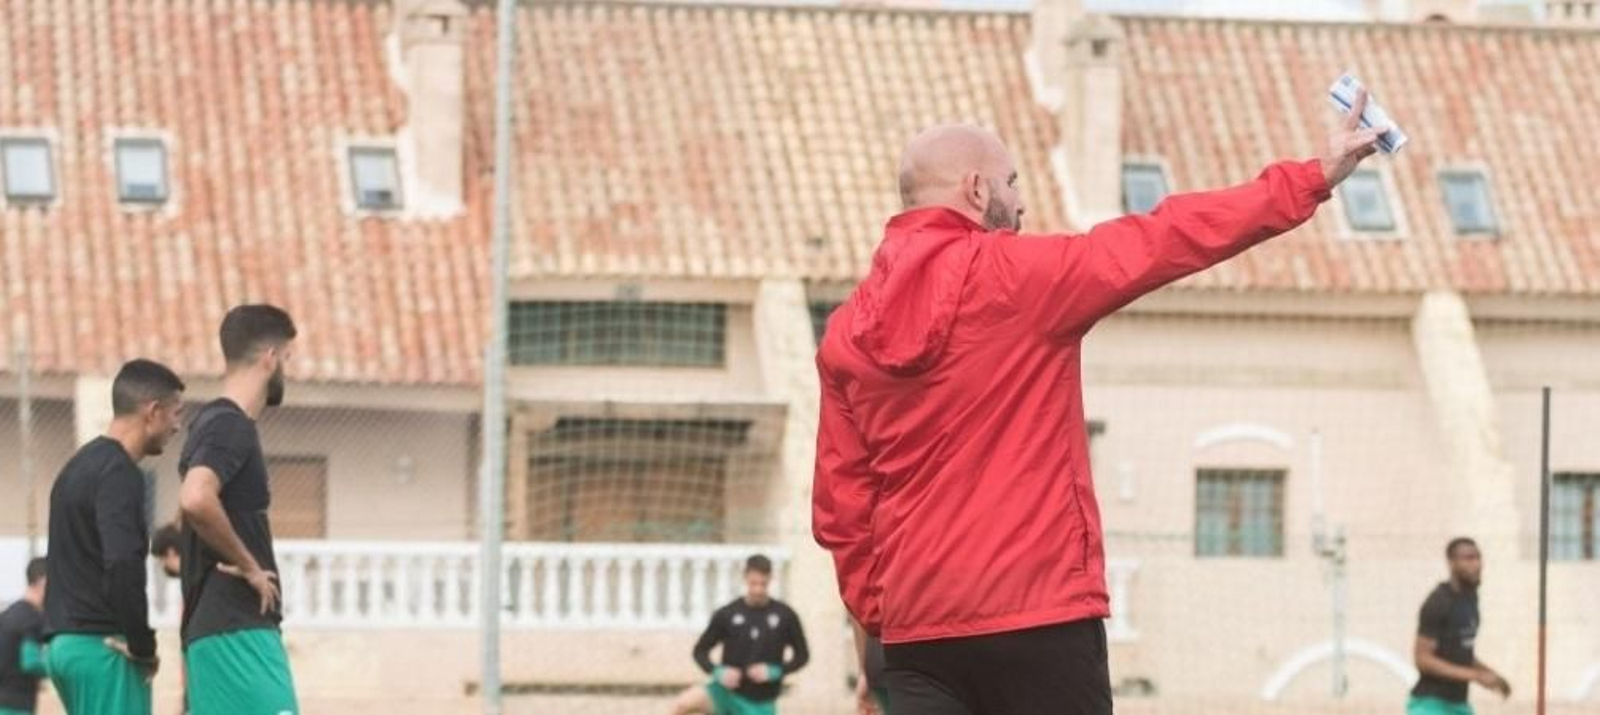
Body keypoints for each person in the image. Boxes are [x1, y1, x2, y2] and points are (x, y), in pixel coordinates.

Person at [812, 92, 1389, 714]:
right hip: (1039, 618)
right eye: (1012, 182)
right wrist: (1311, 177)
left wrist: (884, 627)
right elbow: (1166, 238)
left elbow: (842, 511)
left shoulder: (845, 333)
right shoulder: (1020, 278)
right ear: (977, 191)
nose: (1021, 200)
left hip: (919, 638)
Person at [177, 304, 300, 715]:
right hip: (236, 626)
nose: (288, 370)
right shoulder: (229, 425)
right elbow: (195, 498)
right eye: (287, 359)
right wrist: (248, 565)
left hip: (220, 627)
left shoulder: (208, 424)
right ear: (270, 359)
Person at [45, 359, 186, 715]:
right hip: (104, 647)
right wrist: (142, 644)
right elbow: (122, 561)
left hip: (64, 646)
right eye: (175, 413)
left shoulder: (75, 468)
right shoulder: (120, 473)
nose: (177, 425)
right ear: (152, 412)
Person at [670, 555, 809, 715]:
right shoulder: (727, 613)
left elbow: (802, 656)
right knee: (682, 705)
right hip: (724, 692)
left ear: (771, 579)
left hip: (760, 702)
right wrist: (718, 671)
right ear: (745, 578)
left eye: (763, 584)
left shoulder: (786, 615)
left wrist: (775, 671)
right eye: (753, 583)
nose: (758, 589)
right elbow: (699, 651)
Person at [1409, 537, 1511, 715]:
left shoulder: (1469, 600)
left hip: (1459, 705)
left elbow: (1459, 652)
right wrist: (1475, 676)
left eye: (1478, 557)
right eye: (1468, 558)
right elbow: (1423, 659)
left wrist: (1491, 675)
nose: (1477, 564)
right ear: (1451, 563)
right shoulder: (1438, 602)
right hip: (1430, 704)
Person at [0, 559, 48, 715]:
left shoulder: (7, 614)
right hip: (17, 706)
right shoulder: (31, 618)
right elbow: (31, 662)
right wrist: (59, 665)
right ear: (43, 582)